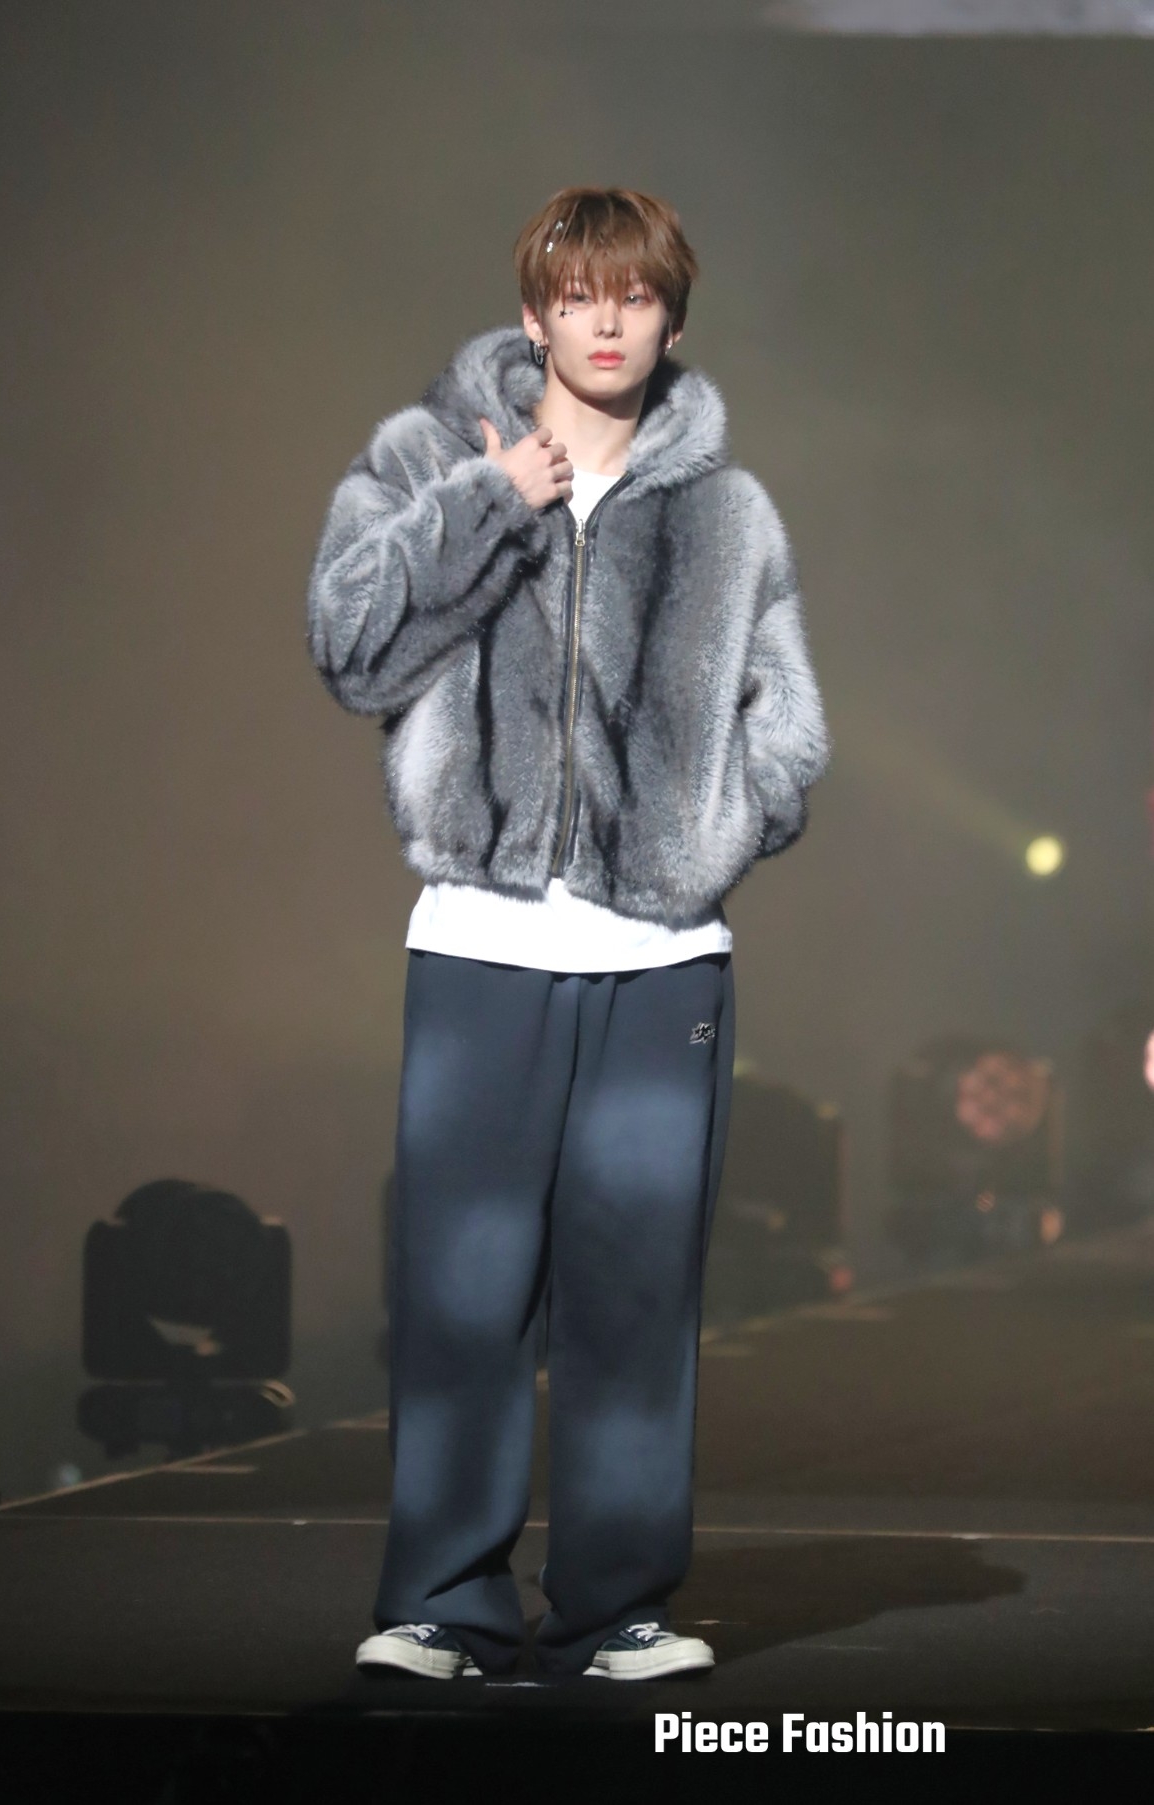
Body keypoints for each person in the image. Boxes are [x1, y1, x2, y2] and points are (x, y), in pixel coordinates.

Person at [305, 186, 830, 1681]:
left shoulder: (726, 511)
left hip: (659, 964)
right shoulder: (428, 459)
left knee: (634, 1295)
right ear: (534, 313)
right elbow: (348, 648)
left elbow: (788, 730)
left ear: (671, 316)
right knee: (461, 1294)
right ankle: (441, 1602)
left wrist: (703, 841)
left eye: (636, 295)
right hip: (478, 945)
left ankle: (616, 1606)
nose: (607, 322)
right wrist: (489, 503)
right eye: (579, 294)